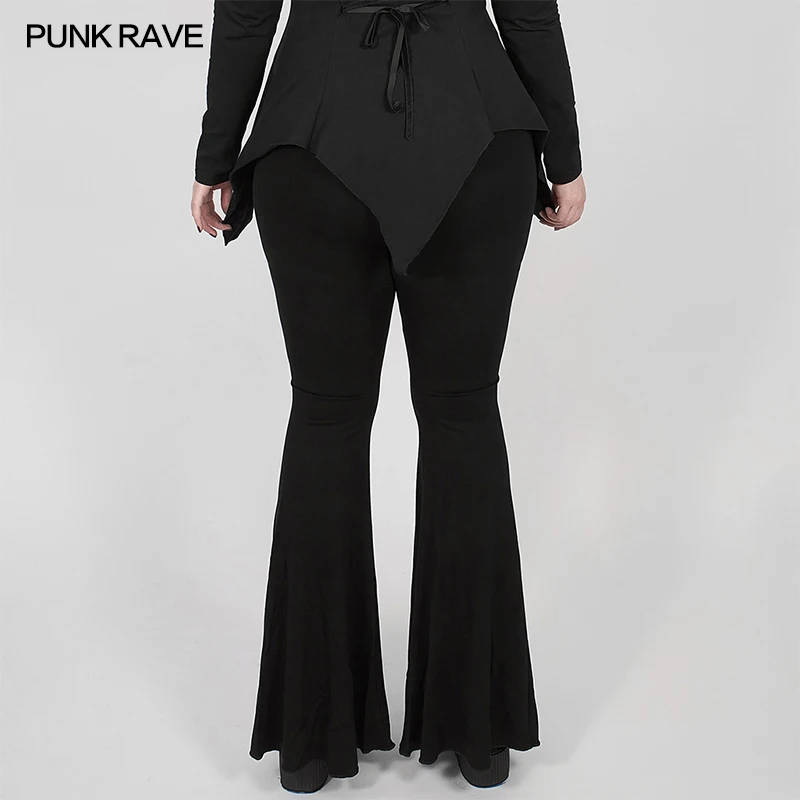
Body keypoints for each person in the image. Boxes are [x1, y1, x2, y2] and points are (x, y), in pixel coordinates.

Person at [190, 0, 585, 792]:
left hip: (309, 143)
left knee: (326, 416)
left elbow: (245, 15)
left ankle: (310, 742)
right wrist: (565, 156)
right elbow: (529, 14)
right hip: (477, 141)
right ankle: (479, 734)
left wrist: (216, 156)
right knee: (462, 413)